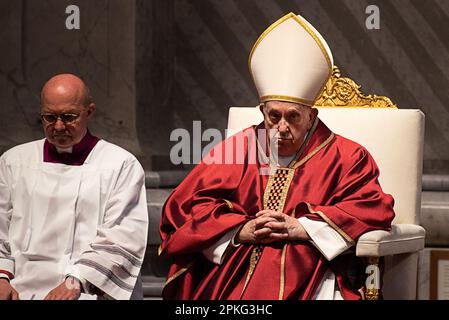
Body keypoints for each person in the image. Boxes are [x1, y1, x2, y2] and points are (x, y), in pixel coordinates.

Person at [159, 12, 395, 300]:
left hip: (314, 265)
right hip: (237, 265)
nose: (282, 127)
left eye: (293, 117)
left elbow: (372, 209)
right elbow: (183, 208)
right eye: (274, 116)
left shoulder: (348, 156)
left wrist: (304, 227)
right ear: (262, 113)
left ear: (311, 117)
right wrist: (239, 229)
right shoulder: (239, 147)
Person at [0, 74, 148, 300]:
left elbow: (123, 235)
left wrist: (76, 280)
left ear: (89, 111)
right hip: (20, 286)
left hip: (86, 288)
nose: (58, 126)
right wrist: (1, 278)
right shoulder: (13, 162)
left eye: (69, 117)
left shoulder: (120, 165)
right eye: (49, 117)